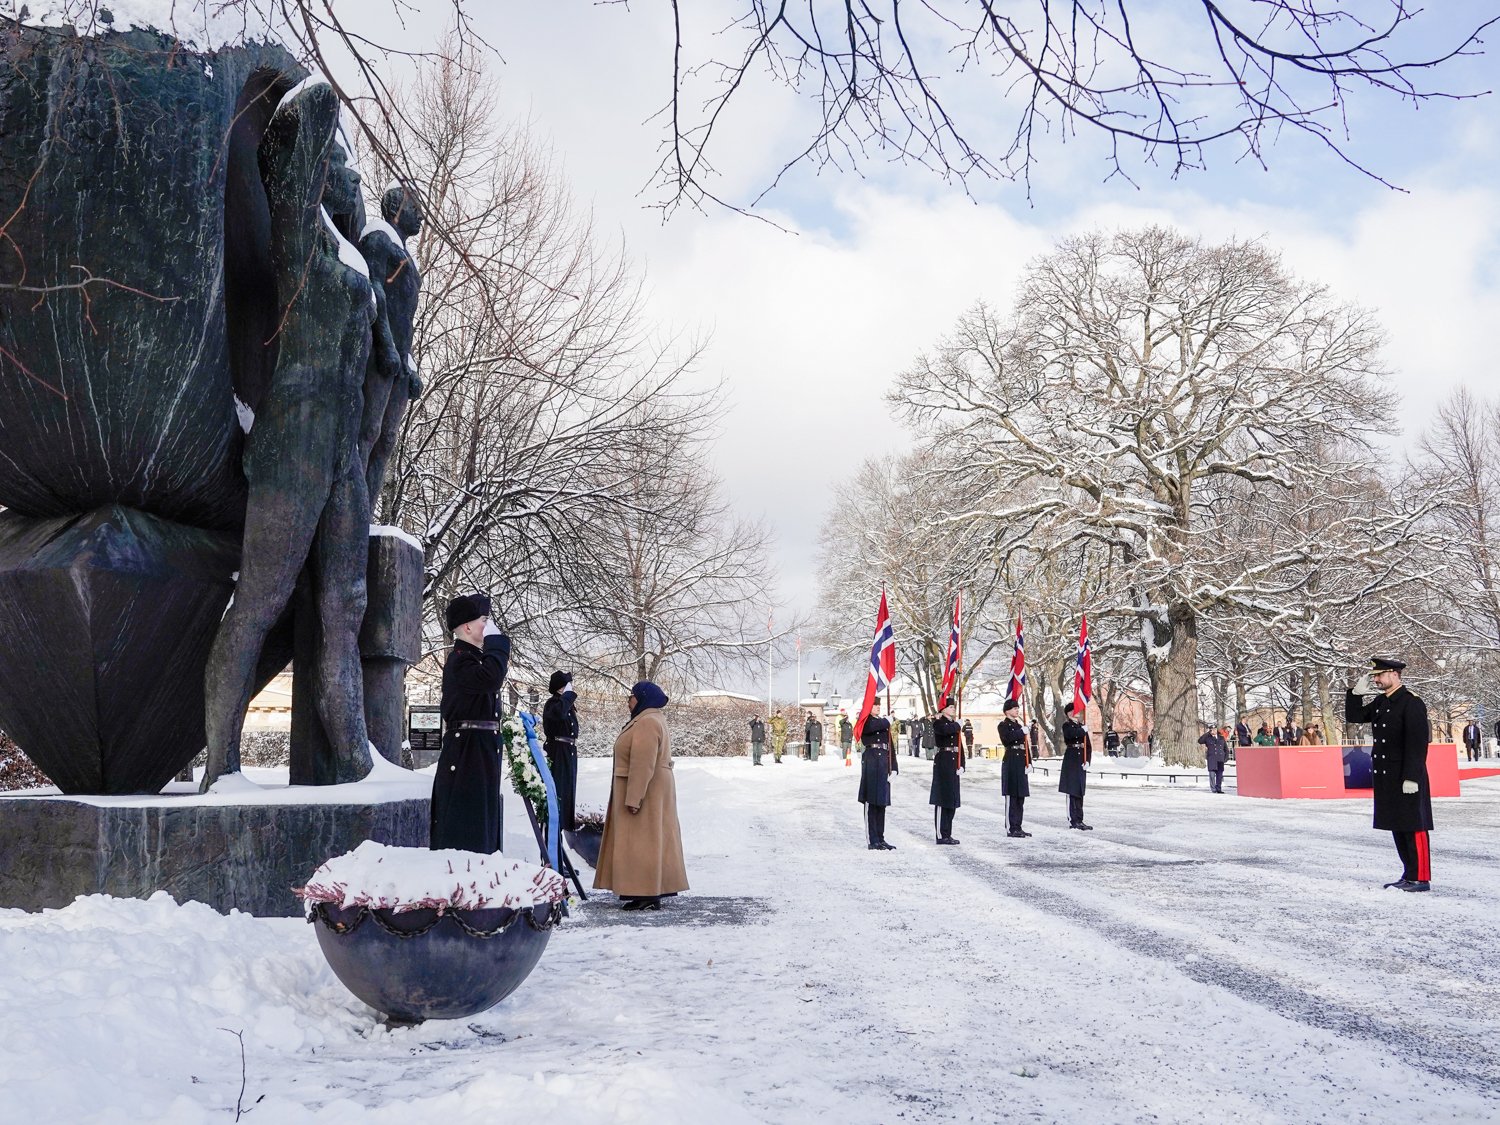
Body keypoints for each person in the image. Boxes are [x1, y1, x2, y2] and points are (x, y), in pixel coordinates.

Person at [593, 681, 687, 910]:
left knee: (642, 843)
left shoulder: (647, 722)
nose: (629, 700)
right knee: (648, 841)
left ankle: (646, 893)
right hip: (652, 790)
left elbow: (642, 763)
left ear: (643, 697)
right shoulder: (650, 719)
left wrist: (634, 798)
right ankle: (646, 891)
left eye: (632, 696)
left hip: (646, 790)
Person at [1345, 656, 1434, 892]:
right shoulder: (1381, 702)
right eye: (1374, 676)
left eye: (1379, 675)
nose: (1375, 680)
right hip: (1388, 775)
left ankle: (1420, 878)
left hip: (1406, 775)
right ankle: (1409, 874)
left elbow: (1417, 744)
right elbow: (1355, 716)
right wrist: (1355, 694)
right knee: (1398, 825)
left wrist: (1412, 777)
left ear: (1394, 674)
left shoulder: (1411, 702)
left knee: (1414, 826)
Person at [430, 594, 511, 852]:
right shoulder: (460, 660)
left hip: (479, 748)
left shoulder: (473, 658)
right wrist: (497, 644)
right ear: (467, 626)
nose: (488, 626)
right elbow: (491, 677)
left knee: (481, 820)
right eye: (484, 620)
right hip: (467, 751)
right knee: (468, 827)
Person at [858, 698, 897, 850]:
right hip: (872, 761)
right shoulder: (865, 720)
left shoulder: (883, 722)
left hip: (884, 764)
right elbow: (870, 728)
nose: (878, 707)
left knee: (881, 803)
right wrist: (887, 721)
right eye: (875, 705)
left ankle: (880, 838)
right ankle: (872, 839)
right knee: (871, 801)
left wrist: (894, 767)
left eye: (879, 705)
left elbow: (890, 747)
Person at [542, 670, 579, 830]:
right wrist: (568, 697)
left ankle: (565, 826)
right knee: (559, 789)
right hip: (558, 751)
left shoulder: (565, 704)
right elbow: (557, 714)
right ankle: (555, 827)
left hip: (569, 751)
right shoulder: (554, 704)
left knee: (568, 790)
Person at [930, 701, 963, 844]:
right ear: (943, 709)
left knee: (952, 799)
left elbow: (959, 746)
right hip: (943, 761)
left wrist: (962, 764)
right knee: (942, 798)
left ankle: (947, 833)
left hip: (954, 761)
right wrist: (957, 726)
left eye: (954, 706)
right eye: (950, 707)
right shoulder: (939, 722)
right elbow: (944, 731)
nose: (953, 708)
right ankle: (940, 834)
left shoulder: (954, 724)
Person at [1058, 700, 1093, 829]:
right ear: (1068, 713)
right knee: (1071, 790)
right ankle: (1073, 820)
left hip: (1080, 760)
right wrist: (1082, 731)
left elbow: (1088, 746)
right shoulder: (1067, 725)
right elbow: (1070, 735)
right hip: (1072, 759)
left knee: (1079, 790)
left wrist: (1087, 760)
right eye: (1073, 710)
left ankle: (1079, 819)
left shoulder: (1081, 727)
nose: (1076, 712)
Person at [998, 699, 1031, 838]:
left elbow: (1025, 745)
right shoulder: (1003, 725)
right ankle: (1011, 827)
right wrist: (1021, 732)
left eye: (1018, 708)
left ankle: (1018, 826)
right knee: (1012, 796)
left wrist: (1029, 762)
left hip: (1021, 761)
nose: (1017, 710)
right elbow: (1007, 739)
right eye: (1014, 708)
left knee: (1020, 796)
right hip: (1011, 760)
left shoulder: (1019, 726)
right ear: (1007, 711)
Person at [1199, 724, 1229, 794]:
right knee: (1212, 775)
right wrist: (1207, 733)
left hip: (1220, 759)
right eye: (1212, 729)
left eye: (1215, 729)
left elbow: (1226, 749)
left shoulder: (1221, 738)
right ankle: (1213, 789)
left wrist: (1225, 758)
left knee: (1219, 775)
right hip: (1212, 759)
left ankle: (1218, 789)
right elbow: (1200, 741)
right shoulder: (1208, 738)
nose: (1213, 731)